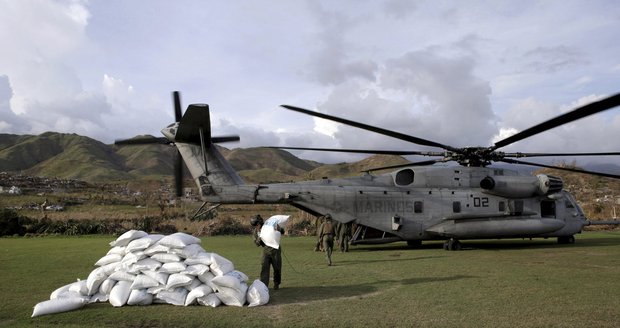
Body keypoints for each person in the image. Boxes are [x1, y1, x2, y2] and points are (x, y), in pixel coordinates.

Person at [250, 214, 283, 290]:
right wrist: (260, 237)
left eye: (257, 224)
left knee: (277, 268)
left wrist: (279, 229)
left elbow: (282, 231)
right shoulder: (256, 231)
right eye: (255, 225)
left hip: (276, 250)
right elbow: (257, 244)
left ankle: (276, 284)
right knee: (264, 268)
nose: (256, 226)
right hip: (265, 250)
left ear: (260, 223)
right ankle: (264, 286)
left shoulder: (270, 226)